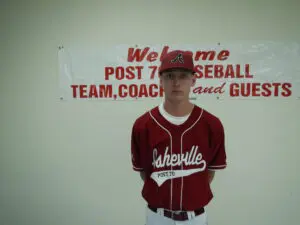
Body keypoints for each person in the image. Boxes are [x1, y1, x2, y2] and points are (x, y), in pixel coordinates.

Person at [130, 50, 227, 225]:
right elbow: (146, 173)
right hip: (157, 217)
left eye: (183, 76)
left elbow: (208, 173)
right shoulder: (143, 125)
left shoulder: (212, 125)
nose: (176, 82)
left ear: (193, 80)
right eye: (169, 76)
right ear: (160, 81)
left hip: (195, 218)